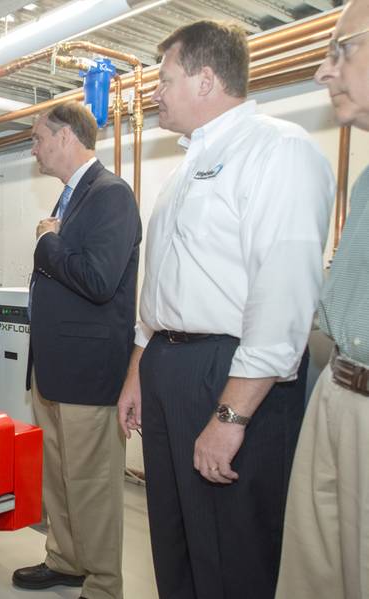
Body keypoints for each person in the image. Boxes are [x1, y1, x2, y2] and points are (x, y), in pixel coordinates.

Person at [115, 21, 335, 599]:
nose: (154, 93)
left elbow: (283, 295)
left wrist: (232, 417)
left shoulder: (277, 150)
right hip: (168, 363)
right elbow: (162, 285)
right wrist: (140, 367)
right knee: (175, 536)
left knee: (233, 549)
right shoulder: (185, 168)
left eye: (164, 79)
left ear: (206, 79)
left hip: (231, 371)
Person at [11, 103, 140, 599]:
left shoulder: (111, 195)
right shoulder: (72, 198)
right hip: (54, 370)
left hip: (89, 373)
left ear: (66, 136)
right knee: (60, 479)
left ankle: (105, 584)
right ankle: (65, 560)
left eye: (38, 137)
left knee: (93, 485)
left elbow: (98, 280)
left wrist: (48, 241)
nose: (34, 147)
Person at [276, 2, 369, 597]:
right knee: (314, 576)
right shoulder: (365, 181)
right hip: (337, 389)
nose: (323, 72)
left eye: (343, 49)